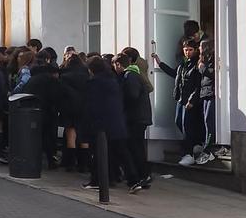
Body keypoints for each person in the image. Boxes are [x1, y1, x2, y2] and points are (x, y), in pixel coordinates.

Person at [81, 55, 137, 191]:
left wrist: (86, 125)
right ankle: (133, 179)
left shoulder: (94, 83)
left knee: (98, 153)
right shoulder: (113, 80)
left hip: (100, 124)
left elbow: (91, 106)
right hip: (117, 122)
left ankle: (97, 180)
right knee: (121, 152)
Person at [153, 39, 204, 165]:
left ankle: (189, 153)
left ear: (196, 50)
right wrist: (159, 63)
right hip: (181, 99)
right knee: (178, 122)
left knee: (187, 125)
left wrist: (192, 100)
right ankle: (195, 144)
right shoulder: (183, 65)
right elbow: (173, 73)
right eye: (186, 50)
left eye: (190, 50)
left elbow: (198, 85)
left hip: (191, 101)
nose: (188, 52)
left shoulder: (197, 65)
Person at [116, 47, 153, 189]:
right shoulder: (134, 72)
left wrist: (122, 103)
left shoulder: (131, 74)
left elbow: (132, 95)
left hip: (136, 117)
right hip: (139, 116)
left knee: (135, 147)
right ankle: (142, 175)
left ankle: (142, 175)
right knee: (136, 146)